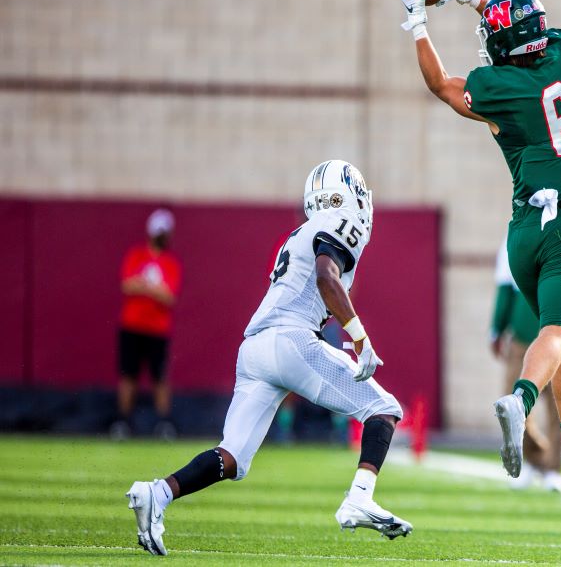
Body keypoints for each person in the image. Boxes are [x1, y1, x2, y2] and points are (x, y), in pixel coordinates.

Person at [402, 0, 561, 501]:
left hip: (523, 230)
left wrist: (418, 18)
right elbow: (534, 32)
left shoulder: (500, 88)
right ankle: (522, 401)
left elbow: (440, 84)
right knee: (557, 333)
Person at [126, 161, 412, 555]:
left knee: (232, 457)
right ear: (347, 194)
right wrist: (360, 337)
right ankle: (359, 497)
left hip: (255, 348)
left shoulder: (297, 234)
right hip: (291, 340)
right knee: (384, 409)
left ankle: (157, 493)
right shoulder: (344, 221)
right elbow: (326, 276)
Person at [490, 239, 561, 491]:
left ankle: (553, 466)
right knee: (514, 401)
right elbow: (505, 289)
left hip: (557, 335)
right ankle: (534, 456)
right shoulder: (513, 241)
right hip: (522, 338)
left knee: (558, 403)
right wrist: (497, 329)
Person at [111, 208, 182, 440]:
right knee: (128, 375)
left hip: (158, 329)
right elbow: (127, 285)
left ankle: (163, 423)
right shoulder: (137, 255)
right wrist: (153, 289)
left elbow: (169, 296)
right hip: (132, 325)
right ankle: (123, 421)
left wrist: (145, 286)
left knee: (159, 378)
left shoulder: (171, 263)